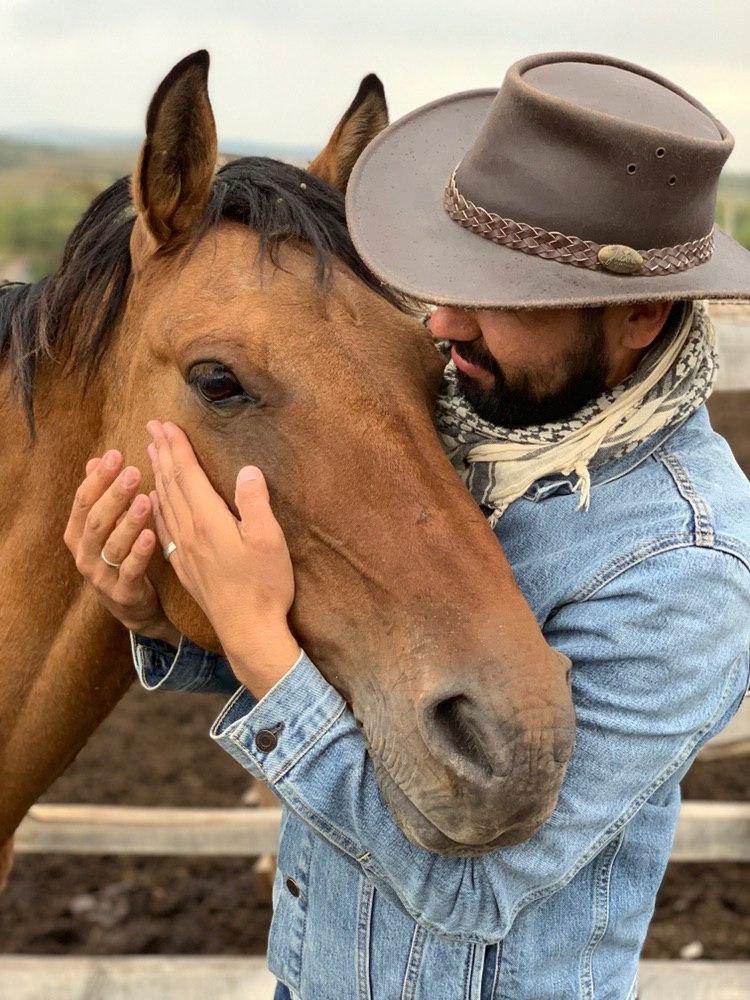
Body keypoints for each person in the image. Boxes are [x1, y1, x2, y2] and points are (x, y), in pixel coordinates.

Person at [66, 53, 750, 1000]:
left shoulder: (687, 566)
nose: (442, 324)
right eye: (441, 277)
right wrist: (161, 616)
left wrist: (262, 648)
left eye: (503, 297)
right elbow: (380, 674)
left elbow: (472, 891)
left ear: (637, 315)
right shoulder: (484, 423)